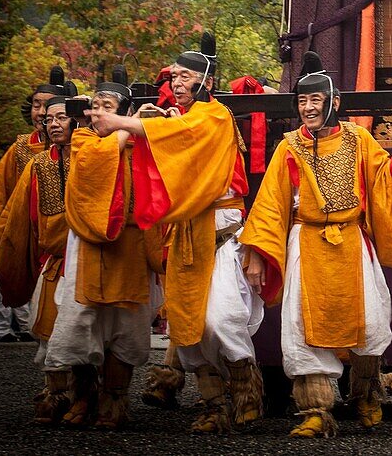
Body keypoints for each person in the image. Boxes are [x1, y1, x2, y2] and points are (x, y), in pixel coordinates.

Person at [240, 52, 392, 437]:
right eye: (302, 101)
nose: (308, 108)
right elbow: (270, 205)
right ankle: (314, 411)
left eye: (315, 100)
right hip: (305, 243)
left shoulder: (359, 139)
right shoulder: (289, 146)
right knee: (300, 326)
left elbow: (381, 183)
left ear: (335, 103)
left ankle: (365, 395)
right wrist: (258, 253)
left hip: (352, 244)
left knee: (369, 323)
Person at [90, 32, 264, 434]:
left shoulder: (216, 116)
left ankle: (246, 388)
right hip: (185, 230)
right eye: (175, 78)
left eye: (186, 76)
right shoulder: (182, 119)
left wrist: (121, 122)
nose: (177, 83)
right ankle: (214, 405)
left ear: (207, 80)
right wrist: (149, 122)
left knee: (220, 319)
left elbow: (184, 138)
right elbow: (173, 145)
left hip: (220, 232)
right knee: (186, 324)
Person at [42, 67, 165, 430]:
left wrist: (134, 130)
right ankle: (83, 395)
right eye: (94, 106)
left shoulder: (139, 140)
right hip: (89, 244)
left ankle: (114, 398)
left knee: (125, 323)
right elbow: (93, 168)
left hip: (129, 245)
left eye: (106, 106)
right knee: (82, 321)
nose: (96, 113)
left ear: (123, 110)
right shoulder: (84, 141)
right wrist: (126, 130)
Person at [0, 89, 78, 423]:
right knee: (49, 327)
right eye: (44, 113)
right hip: (49, 256)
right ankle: (56, 393)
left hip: (89, 256)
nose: (49, 120)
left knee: (92, 332)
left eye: (58, 116)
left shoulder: (93, 153)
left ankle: (93, 396)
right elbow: (11, 206)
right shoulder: (32, 156)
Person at [0, 69, 68, 342]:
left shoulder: (81, 148)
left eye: (49, 106)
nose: (41, 113)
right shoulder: (20, 148)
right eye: (37, 105)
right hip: (25, 231)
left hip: (61, 239)